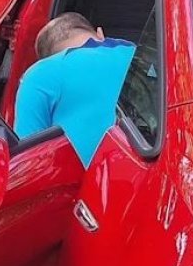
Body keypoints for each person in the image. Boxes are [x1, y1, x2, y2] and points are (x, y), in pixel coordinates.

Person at [14, 12, 136, 167]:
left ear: (47, 58)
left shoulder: (41, 74)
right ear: (100, 34)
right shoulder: (139, 55)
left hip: (101, 186)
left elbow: (26, 162)